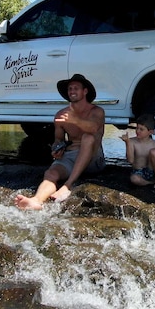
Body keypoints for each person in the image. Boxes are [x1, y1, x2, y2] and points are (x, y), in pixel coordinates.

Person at [15, 74, 106, 210]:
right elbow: (58, 139)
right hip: (71, 157)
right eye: (70, 89)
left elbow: (93, 128)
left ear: (85, 91)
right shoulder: (60, 115)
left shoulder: (97, 111)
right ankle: (36, 200)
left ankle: (67, 186)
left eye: (76, 88)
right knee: (51, 173)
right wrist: (57, 148)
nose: (72, 91)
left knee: (88, 137)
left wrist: (74, 119)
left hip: (92, 159)